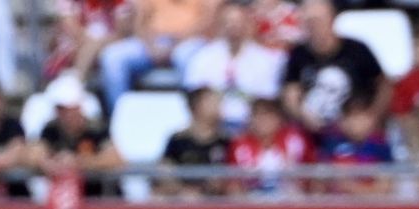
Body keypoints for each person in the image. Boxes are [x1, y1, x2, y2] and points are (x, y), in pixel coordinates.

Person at [281, 0, 386, 134]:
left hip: (357, 131)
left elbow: (384, 86)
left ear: (331, 19)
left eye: (318, 21)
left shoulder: (357, 50)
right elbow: (291, 93)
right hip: (313, 132)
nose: (315, 27)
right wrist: (303, 115)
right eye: (310, 22)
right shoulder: (298, 54)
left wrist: (372, 116)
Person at [182, 0, 285, 133]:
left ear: (249, 23)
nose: (233, 27)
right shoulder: (202, 58)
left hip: (251, 131)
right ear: (219, 25)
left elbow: (268, 101)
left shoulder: (264, 60)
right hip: (213, 131)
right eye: (228, 22)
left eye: (238, 22)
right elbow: (193, 96)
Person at [158, 84, 230, 196]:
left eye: (218, 102)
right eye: (212, 102)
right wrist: (181, 190)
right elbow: (165, 171)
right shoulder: (178, 140)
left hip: (218, 200)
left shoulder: (227, 140)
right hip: (182, 199)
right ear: (195, 106)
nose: (218, 106)